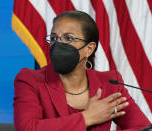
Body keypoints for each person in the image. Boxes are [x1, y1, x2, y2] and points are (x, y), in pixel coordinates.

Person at [13, 11, 151, 131]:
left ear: (89, 49)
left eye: (69, 38)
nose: (58, 44)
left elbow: (143, 128)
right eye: (54, 38)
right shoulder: (31, 80)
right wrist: (87, 117)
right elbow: (28, 128)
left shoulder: (110, 84)